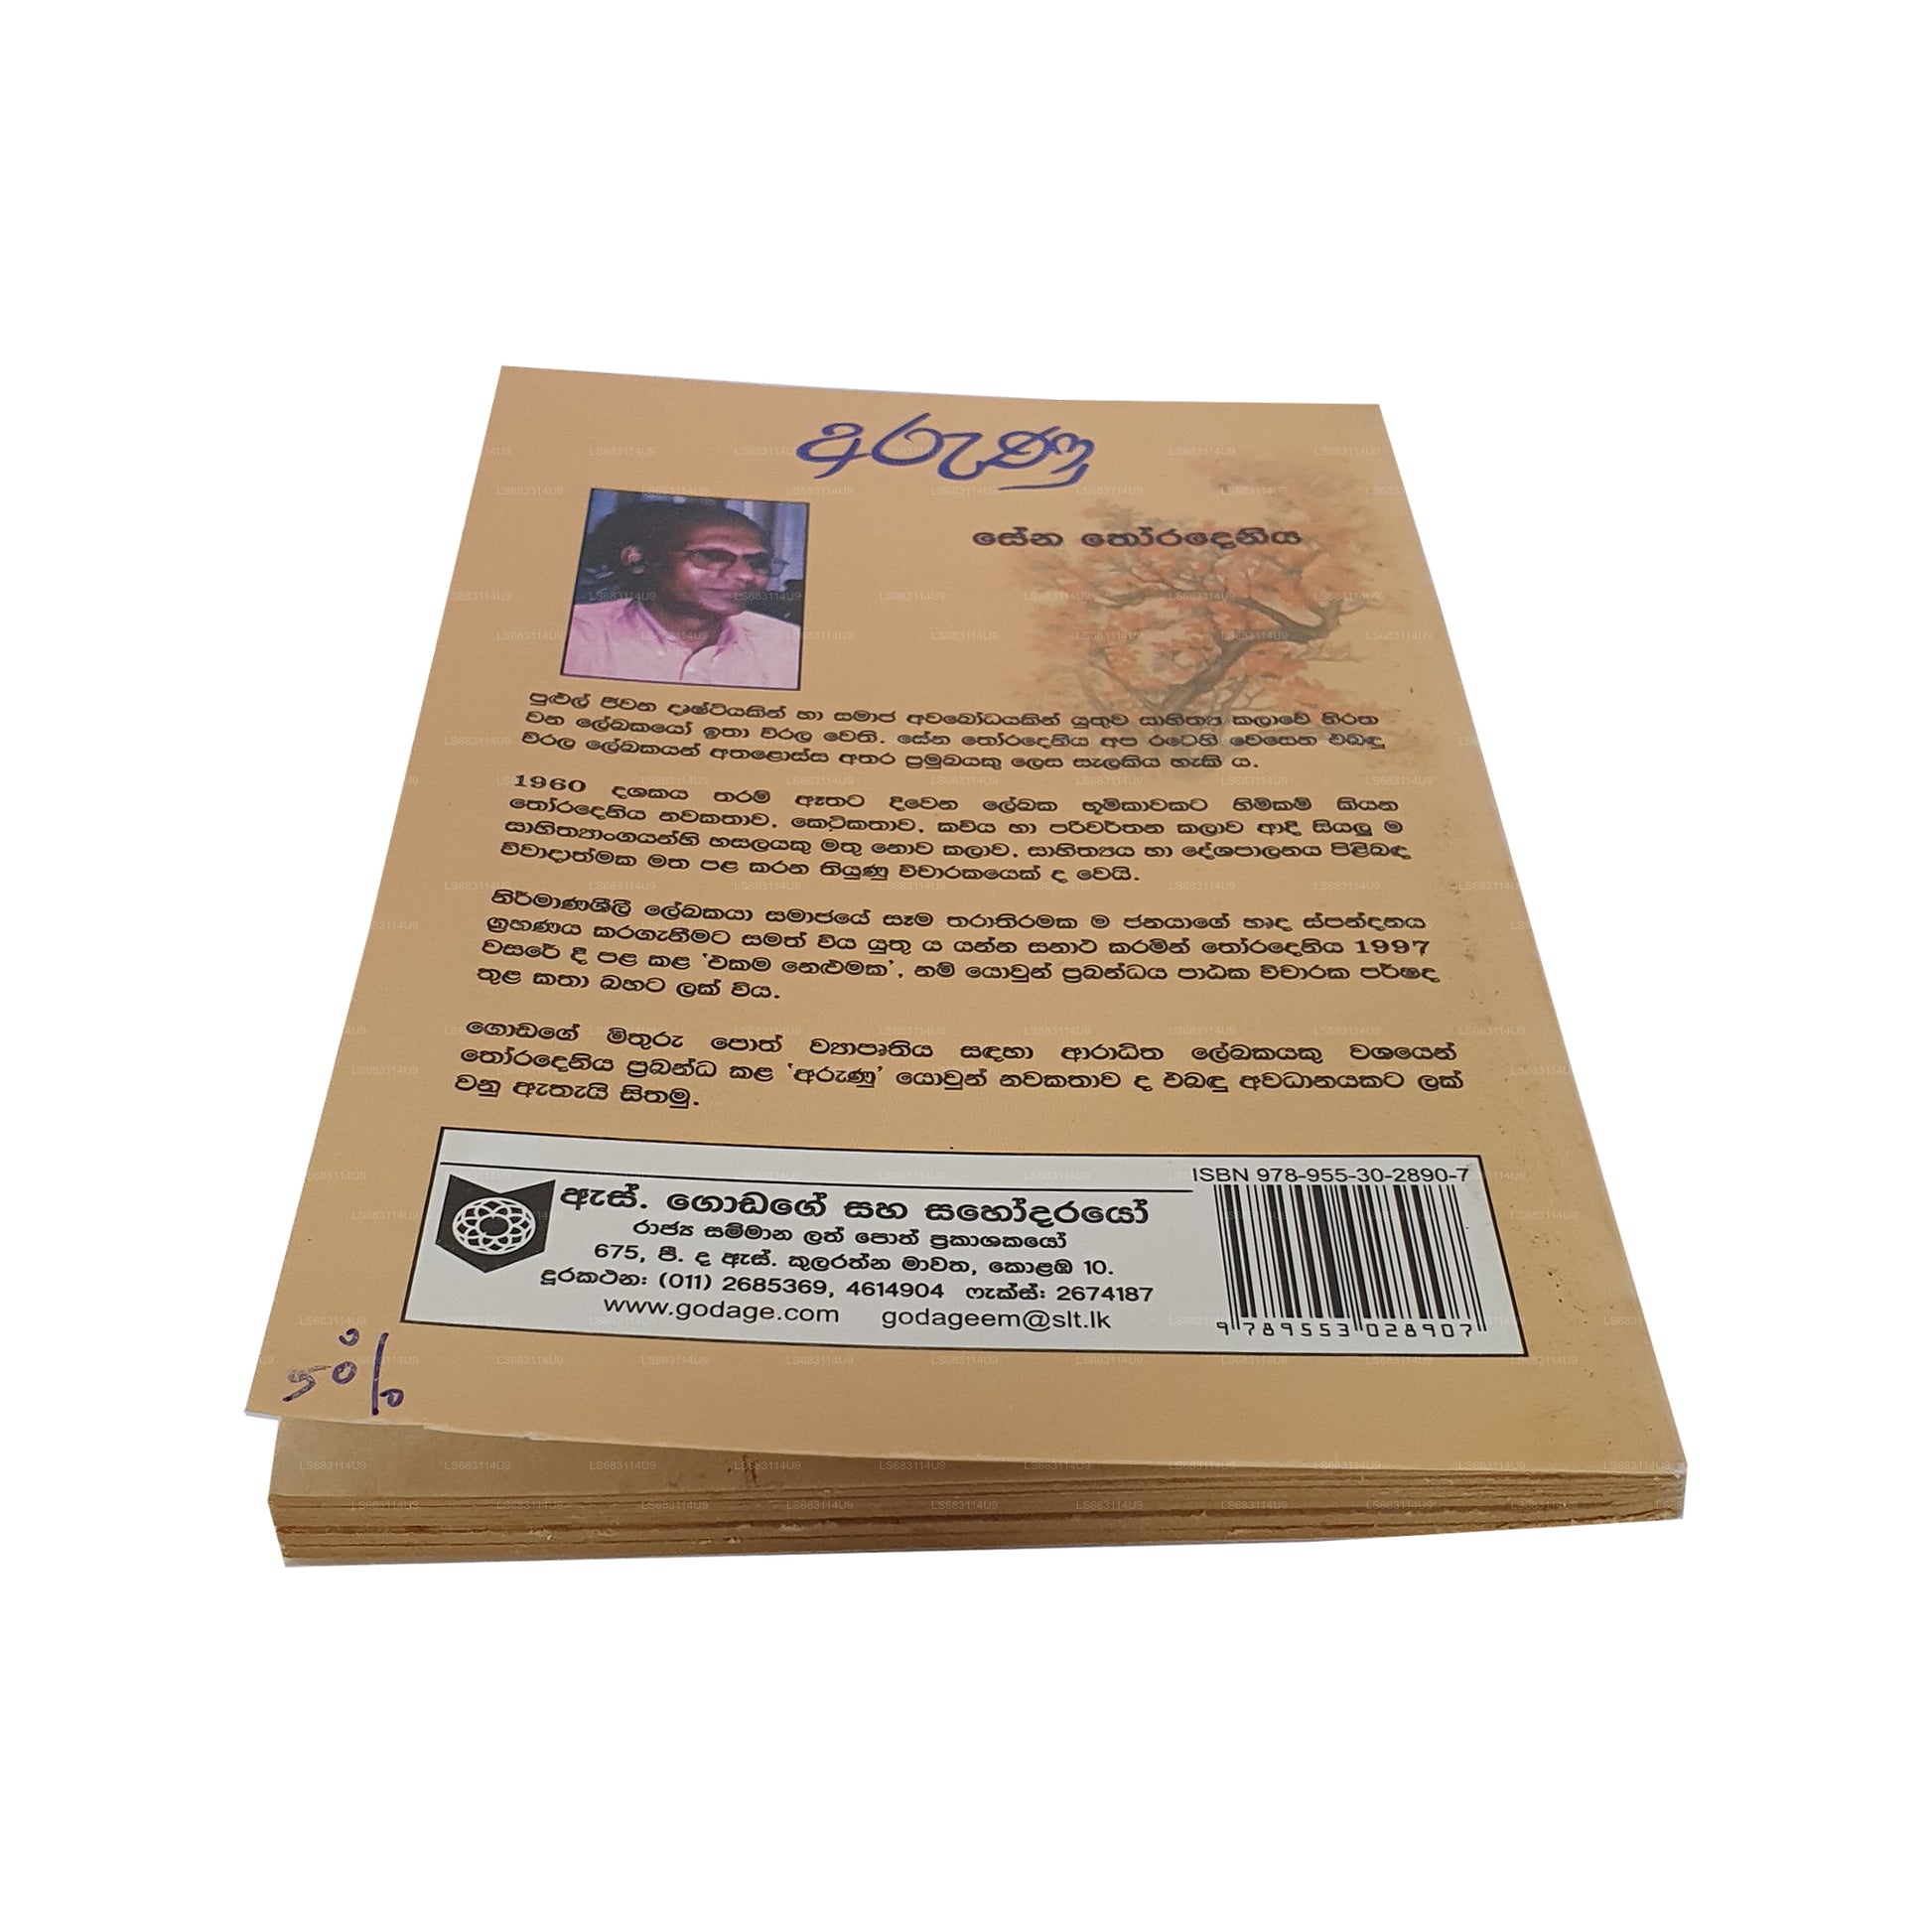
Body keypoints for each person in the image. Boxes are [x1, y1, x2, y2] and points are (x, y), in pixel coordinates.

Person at [562, 499, 801, 688]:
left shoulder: (787, 645)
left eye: (757, 562)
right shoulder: (574, 635)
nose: (746, 575)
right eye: (711, 556)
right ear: (637, 560)